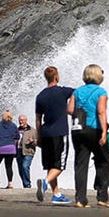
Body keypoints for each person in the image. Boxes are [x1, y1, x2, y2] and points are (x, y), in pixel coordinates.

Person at [67, 63, 109, 208]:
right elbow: (101, 112)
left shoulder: (77, 91)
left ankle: (80, 199)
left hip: (78, 130)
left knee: (81, 164)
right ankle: (102, 197)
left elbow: (70, 109)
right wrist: (104, 132)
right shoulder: (101, 92)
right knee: (103, 162)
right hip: (94, 129)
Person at [34, 66, 74, 205]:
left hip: (45, 133)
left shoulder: (40, 96)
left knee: (51, 165)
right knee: (59, 165)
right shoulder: (63, 91)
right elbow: (79, 92)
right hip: (60, 132)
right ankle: (45, 183)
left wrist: (38, 136)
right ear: (56, 76)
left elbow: (38, 119)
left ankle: (56, 194)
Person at [0, 111, 19, 189]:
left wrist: (0, 137)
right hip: (11, 148)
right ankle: (10, 183)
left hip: (0, 147)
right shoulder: (13, 125)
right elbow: (17, 137)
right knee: (9, 166)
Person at [16, 114, 36, 189]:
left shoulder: (32, 130)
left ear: (26, 120)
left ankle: (27, 184)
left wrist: (33, 141)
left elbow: (39, 142)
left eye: (22, 120)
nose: (20, 121)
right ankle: (25, 184)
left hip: (28, 151)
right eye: (19, 120)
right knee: (20, 169)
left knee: (25, 166)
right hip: (18, 151)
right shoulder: (17, 130)